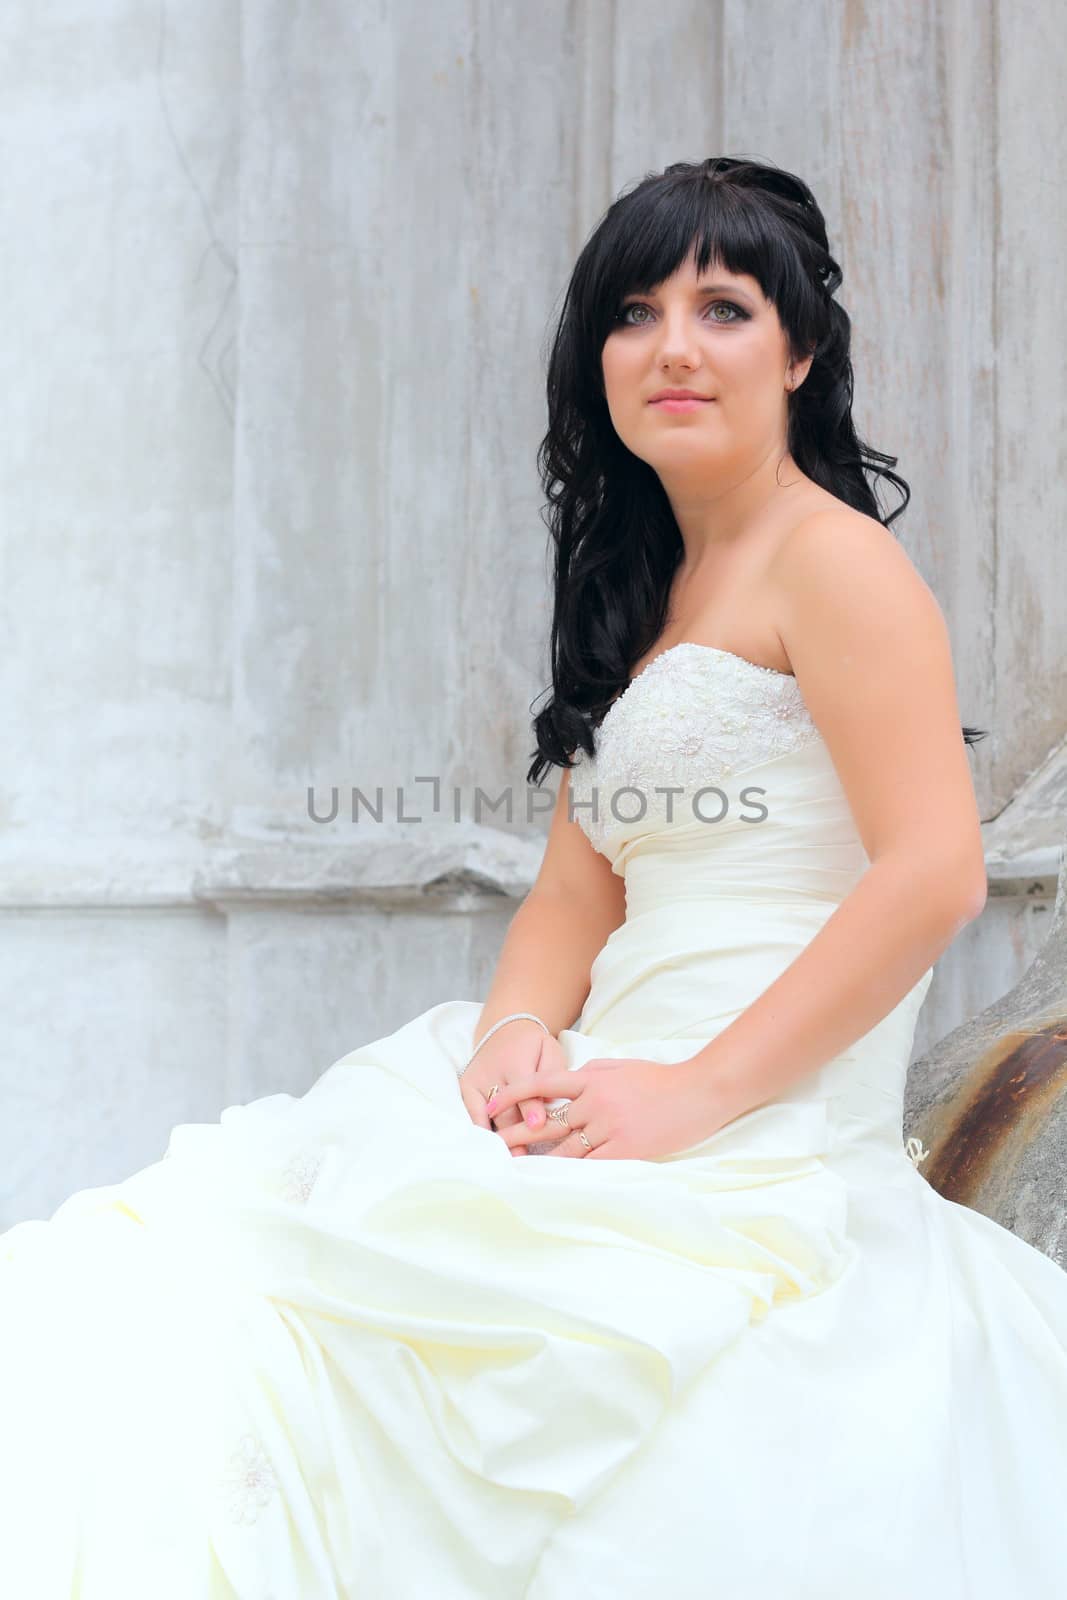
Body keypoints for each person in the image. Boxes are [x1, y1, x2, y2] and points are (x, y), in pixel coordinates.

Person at [2, 154, 1066, 1599]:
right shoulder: (648, 601)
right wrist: (515, 1037)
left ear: (802, 352)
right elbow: (576, 898)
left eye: (725, 307)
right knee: (180, 1289)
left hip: (753, 1134)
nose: (673, 346)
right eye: (633, 312)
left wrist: (688, 1093)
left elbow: (933, 872)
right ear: (596, 363)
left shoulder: (837, 566)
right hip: (596, 1083)